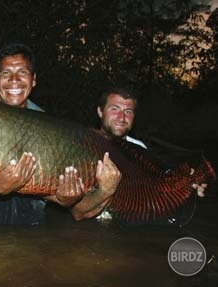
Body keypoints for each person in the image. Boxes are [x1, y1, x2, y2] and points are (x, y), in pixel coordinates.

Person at [0, 43, 121, 225]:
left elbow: (69, 206)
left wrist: (66, 198)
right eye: (5, 73)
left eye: (22, 73)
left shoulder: (48, 127)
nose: (14, 80)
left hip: (31, 226)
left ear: (33, 80)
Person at [71, 85, 208, 221]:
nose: (122, 117)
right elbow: (76, 212)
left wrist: (190, 188)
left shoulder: (140, 150)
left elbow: (158, 194)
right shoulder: (79, 143)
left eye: (128, 111)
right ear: (100, 112)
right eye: (115, 109)